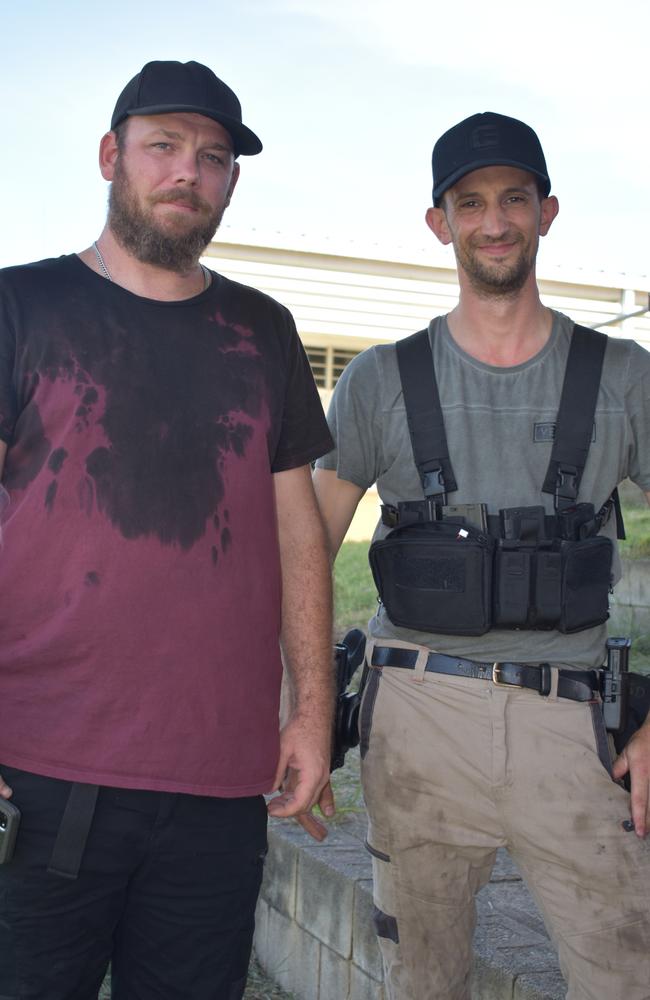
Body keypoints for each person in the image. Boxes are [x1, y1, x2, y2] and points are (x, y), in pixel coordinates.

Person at [0, 59, 335, 999]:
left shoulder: (264, 330)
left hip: (218, 786)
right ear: (112, 156)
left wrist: (312, 711)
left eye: (214, 156)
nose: (190, 171)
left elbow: (300, 530)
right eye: (164, 147)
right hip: (39, 769)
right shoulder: (19, 305)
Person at [313, 112, 650, 999]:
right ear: (440, 222)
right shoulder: (380, 380)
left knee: (626, 974)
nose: (493, 221)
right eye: (470, 203)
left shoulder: (623, 377)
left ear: (547, 211)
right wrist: (301, 708)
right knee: (422, 982)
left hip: (574, 730)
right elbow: (301, 550)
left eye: (514, 199)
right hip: (417, 718)